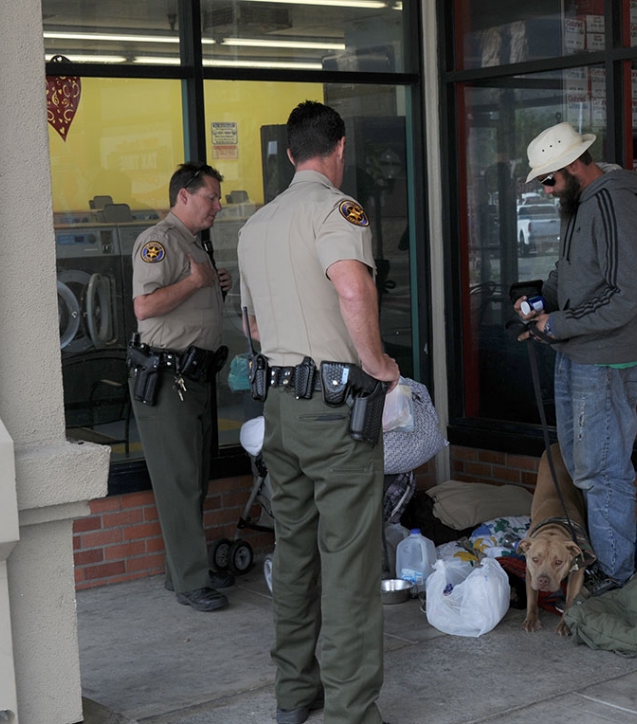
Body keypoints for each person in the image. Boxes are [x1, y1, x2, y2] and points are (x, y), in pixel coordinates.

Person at [237, 101, 399, 724]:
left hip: (280, 408)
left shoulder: (255, 226)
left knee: (296, 553)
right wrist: (379, 362)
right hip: (335, 411)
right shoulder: (336, 209)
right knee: (352, 562)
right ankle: (351, 712)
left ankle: (294, 698)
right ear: (339, 150)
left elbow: (252, 322)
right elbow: (353, 286)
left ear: (286, 154)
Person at [513, 122, 637, 591]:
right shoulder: (581, 203)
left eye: (549, 180)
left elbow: (626, 294)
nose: (548, 190)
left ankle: (613, 576)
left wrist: (558, 323)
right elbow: (571, 274)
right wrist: (541, 306)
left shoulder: (614, 203)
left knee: (603, 471)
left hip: (606, 360)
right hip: (580, 353)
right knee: (582, 466)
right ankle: (598, 563)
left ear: (574, 166)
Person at [129, 161, 234, 612]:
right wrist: (196, 281)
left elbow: (188, 305)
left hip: (193, 377)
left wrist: (213, 287)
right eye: (211, 196)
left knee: (193, 481)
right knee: (178, 483)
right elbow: (145, 306)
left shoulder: (194, 243)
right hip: (167, 378)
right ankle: (192, 581)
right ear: (184, 196)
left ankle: (184, 572)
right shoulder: (159, 241)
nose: (217, 205)